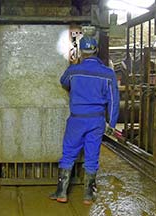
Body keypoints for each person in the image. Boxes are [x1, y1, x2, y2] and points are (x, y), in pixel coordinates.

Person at [50, 36, 120, 205]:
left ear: (81, 52)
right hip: (96, 121)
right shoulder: (108, 74)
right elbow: (113, 100)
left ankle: (61, 192)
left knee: (68, 153)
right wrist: (111, 124)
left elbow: (63, 82)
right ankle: (88, 195)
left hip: (77, 119)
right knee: (92, 155)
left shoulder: (73, 71)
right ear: (96, 51)